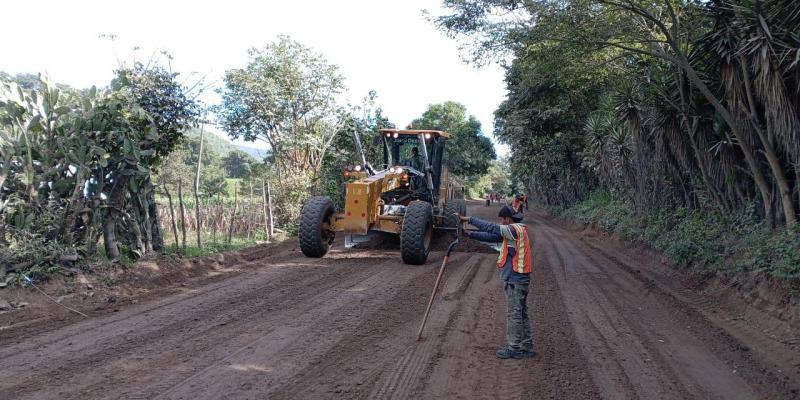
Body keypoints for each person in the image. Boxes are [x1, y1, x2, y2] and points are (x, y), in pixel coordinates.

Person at [459, 206, 535, 359]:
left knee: (513, 314)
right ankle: (526, 346)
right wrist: (470, 234)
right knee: (521, 314)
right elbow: (491, 237)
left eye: (502, 219)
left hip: (515, 279)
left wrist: (469, 219)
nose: (501, 222)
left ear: (508, 219)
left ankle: (514, 348)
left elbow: (492, 228)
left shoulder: (513, 229)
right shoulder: (517, 232)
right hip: (521, 279)